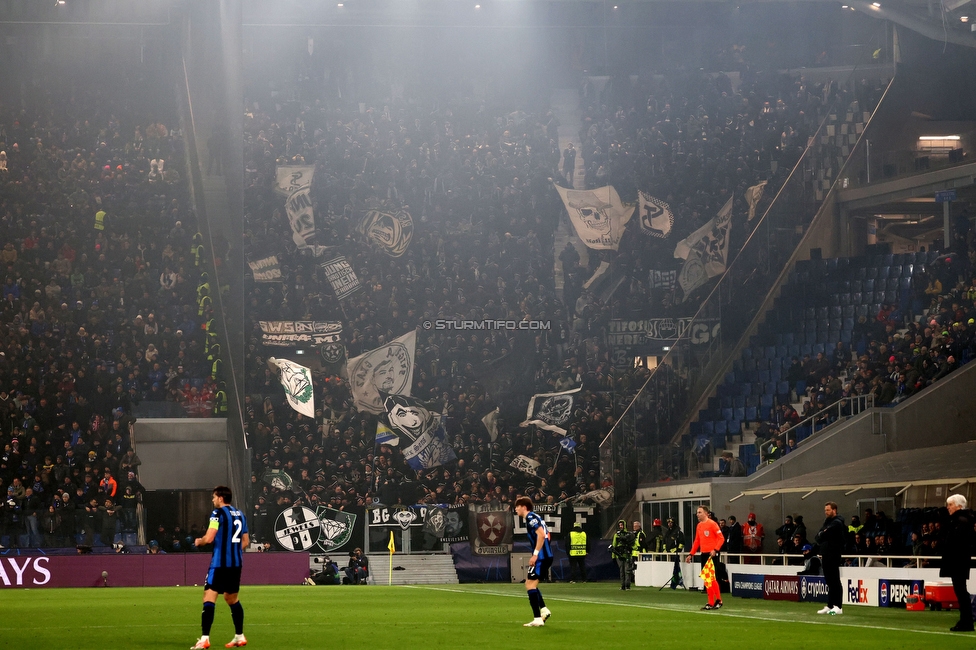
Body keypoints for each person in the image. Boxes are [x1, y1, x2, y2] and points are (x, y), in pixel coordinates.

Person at [191, 485, 249, 649]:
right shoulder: (240, 515)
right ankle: (239, 636)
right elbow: (245, 542)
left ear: (221, 498)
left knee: (209, 597)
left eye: (214, 497)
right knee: (231, 599)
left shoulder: (217, 514)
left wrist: (199, 542)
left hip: (219, 563)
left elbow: (209, 538)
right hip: (236, 564)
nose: (213, 500)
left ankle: (204, 639)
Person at [514, 496, 553, 627]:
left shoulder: (531, 518)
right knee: (530, 583)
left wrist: (536, 554)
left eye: (517, 506)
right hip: (544, 556)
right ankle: (543, 610)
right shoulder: (535, 517)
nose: (516, 509)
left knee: (530, 585)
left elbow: (542, 535)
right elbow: (547, 535)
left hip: (542, 557)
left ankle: (537, 619)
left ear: (524, 507)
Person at [941, 494, 975, 632]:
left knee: (961, 591)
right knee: (960, 590)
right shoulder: (962, 520)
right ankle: (966, 620)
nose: (948, 507)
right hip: (959, 561)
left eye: (950, 504)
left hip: (958, 561)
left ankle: (966, 621)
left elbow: (957, 543)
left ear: (959, 506)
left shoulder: (960, 521)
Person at [685, 506, 725, 610]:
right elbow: (697, 541)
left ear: (706, 513)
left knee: (711, 578)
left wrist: (715, 550)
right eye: (697, 512)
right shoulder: (699, 526)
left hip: (712, 554)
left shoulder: (712, 524)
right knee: (707, 579)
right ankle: (712, 602)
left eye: (700, 512)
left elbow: (721, 538)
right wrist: (691, 554)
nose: (697, 514)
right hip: (704, 554)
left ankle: (717, 601)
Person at [814, 501, 845, 615]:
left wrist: (822, 534)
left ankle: (838, 606)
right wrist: (822, 534)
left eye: (828, 510)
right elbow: (818, 536)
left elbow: (824, 534)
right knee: (829, 581)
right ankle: (830, 605)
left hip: (834, 554)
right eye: (825, 510)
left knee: (835, 580)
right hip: (825, 554)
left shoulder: (837, 523)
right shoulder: (827, 522)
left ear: (834, 510)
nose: (826, 512)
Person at [610, 519, 635, 590]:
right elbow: (614, 545)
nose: (621, 526)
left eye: (622, 525)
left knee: (627, 570)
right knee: (622, 571)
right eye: (620, 525)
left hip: (627, 554)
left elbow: (632, 544)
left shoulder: (629, 534)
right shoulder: (616, 535)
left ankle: (627, 585)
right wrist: (613, 556)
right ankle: (623, 585)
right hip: (619, 555)